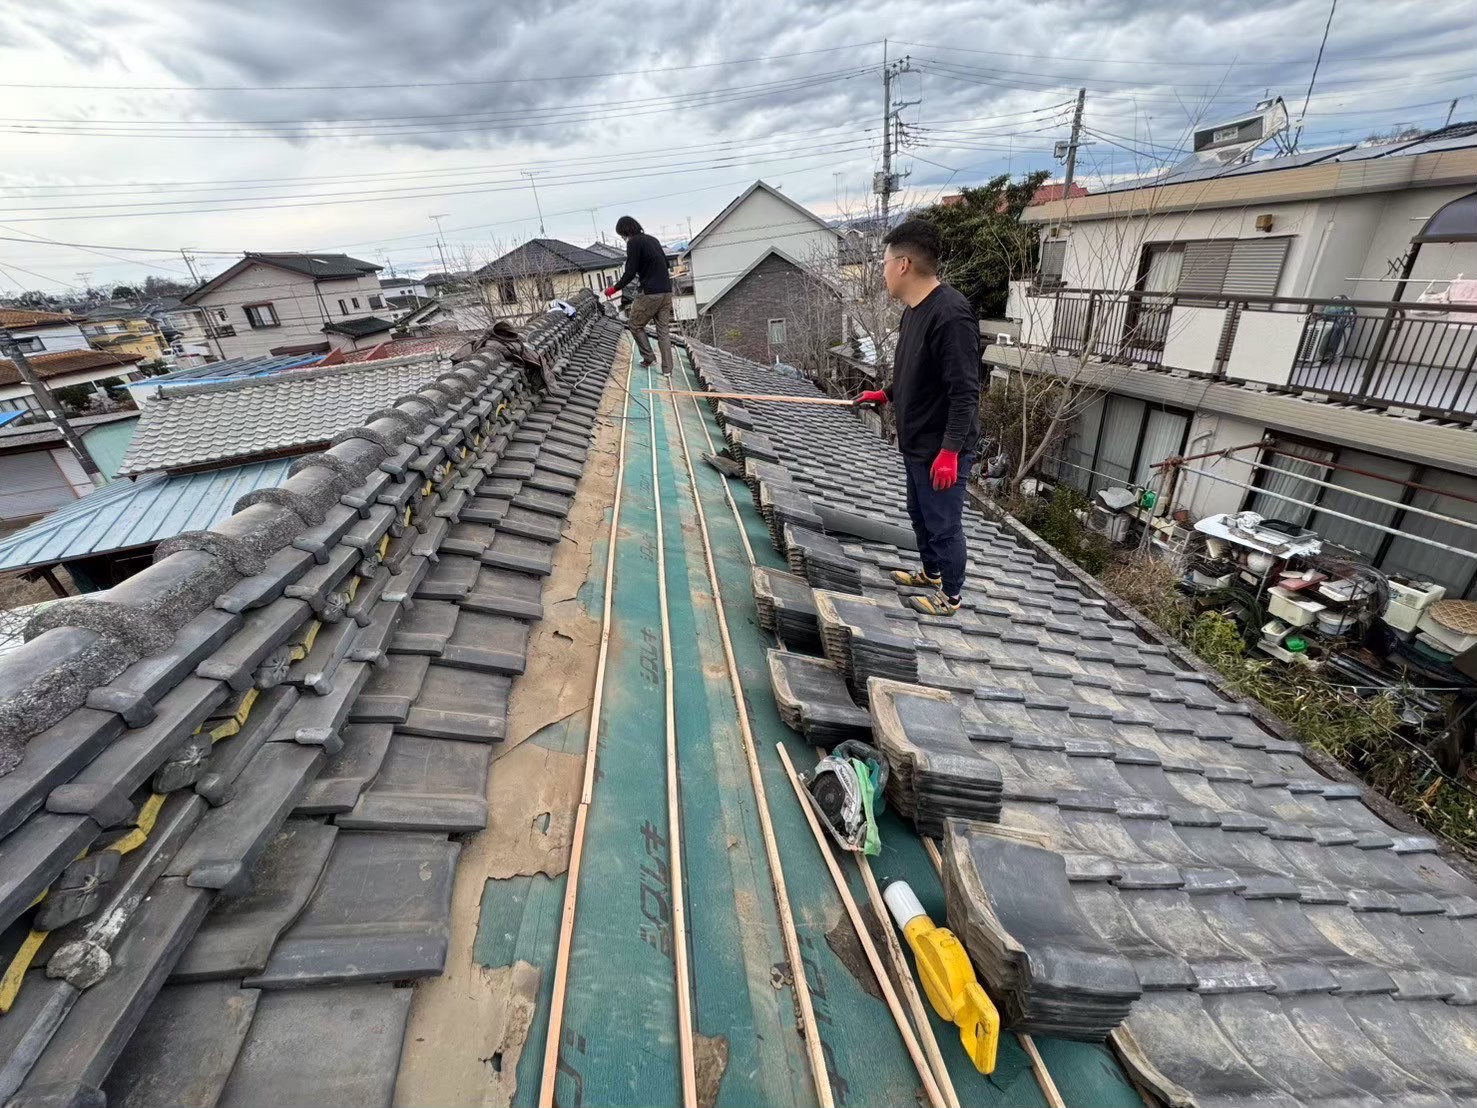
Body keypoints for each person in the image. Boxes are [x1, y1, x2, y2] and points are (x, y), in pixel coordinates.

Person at [854, 219, 980, 617]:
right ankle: (930, 573)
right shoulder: (913, 311)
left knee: (943, 525)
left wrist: (950, 452)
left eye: (885, 262)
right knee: (918, 514)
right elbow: (916, 373)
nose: (883, 271)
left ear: (904, 264)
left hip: (942, 449)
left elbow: (965, 392)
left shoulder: (951, 315)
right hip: (916, 442)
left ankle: (951, 596)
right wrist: (885, 393)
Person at [606, 216, 674, 373]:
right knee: (663, 331)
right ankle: (667, 370)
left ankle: (649, 358)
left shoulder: (633, 242)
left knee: (635, 325)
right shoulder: (653, 240)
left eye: (621, 235)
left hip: (650, 293)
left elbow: (629, 272)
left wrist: (614, 288)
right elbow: (667, 263)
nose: (622, 238)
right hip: (666, 291)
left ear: (624, 231)